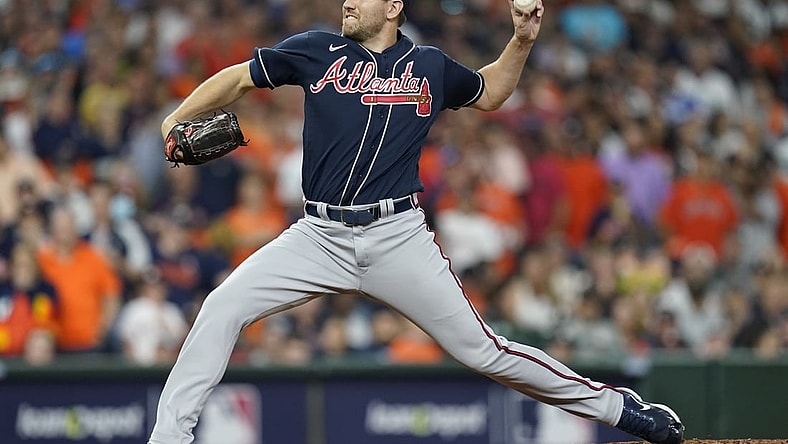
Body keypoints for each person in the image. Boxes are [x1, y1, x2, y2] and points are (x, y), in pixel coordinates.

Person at [148, 1, 684, 444]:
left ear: (393, 8)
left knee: (484, 350)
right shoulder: (317, 50)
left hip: (395, 236)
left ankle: (618, 409)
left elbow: (491, 91)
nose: (348, 3)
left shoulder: (429, 66)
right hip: (318, 235)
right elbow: (239, 78)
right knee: (221, 307)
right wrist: (175, 118)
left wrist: (520, 42)